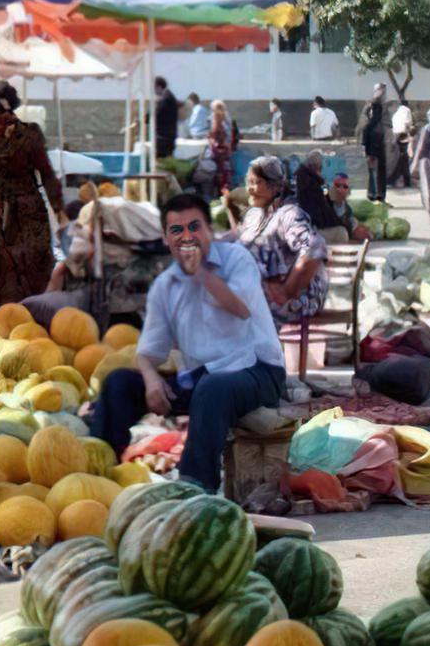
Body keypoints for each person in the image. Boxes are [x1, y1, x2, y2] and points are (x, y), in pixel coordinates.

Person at [90, 193, 285, 492]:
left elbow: (239, 307)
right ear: (166, 239)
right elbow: (148, 352)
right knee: (119, 383)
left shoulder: (236, 259)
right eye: (176, 230)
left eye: (195, 227)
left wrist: (200, 274)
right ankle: (98, 478)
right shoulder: (165, 287)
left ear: (210, 231)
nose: (187, 237)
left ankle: (194, 490)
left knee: (213, 387)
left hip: (259, 371)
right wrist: (152, 379)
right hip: (202, 377)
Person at [0, 80, 65, 309]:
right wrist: (59, 211)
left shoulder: (23, 134)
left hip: (12, 214)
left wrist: (60, 211)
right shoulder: (29, 134)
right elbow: (48, 175)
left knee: (14, 274)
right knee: (17, 273)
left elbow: (47, 175)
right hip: (17, 212)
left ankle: (14, 324)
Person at [227, 155, 327, 325]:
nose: (250, 189)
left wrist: (288, 290)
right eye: (248, 182)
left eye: (256, 182)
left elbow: (315, 247)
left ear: (274, 186)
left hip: (295, 300)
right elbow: (235, 239)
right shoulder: (254, 215)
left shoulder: (289, 214)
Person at [362, 83, 392, 202]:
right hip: (374, 140)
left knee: (380, 169)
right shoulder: (374, 105)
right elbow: (369, 124)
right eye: (382, 91)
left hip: (379, 139)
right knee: (375, 168)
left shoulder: (380, 105)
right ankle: (375, 195)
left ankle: (378, 195)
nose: (384, 94)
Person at [320, 173, 365, 244]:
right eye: (337, 186)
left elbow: (350, 226)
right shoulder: (322, 203)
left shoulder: (347, 209)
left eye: (345, 187)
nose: (340, 190)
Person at [294, 150, 328, 230]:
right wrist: (323, 183)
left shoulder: (302, 176)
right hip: (313, 223)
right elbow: (324, 195)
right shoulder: (310, 182)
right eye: (320, 167)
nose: (321, 170)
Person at [208, 99, 234, 194]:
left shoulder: (216, 117)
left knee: (219, 174)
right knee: (225, 174)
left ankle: (221, 194)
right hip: (226, 150)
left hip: (219, 151)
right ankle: (225, 193)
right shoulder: (227, 119)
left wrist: (210, 138)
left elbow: (214, 133)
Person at [154, 76, 180, 159]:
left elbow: (157, 115)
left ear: (158, 87)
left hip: (164, 137)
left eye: (154, 88)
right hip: (169, 135)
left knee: (162, 161)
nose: (154, 91)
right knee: (167, 159)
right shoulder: (169, 96)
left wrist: (145, 119)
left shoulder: (165, 99)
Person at [390, 101, 414, 188]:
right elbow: (408, 123)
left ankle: (394, 179)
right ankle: (407, 181)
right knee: (404, 160)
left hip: (394, 135)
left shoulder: (396, 112)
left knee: (397, 160)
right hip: (402, 136)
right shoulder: (407, 110)